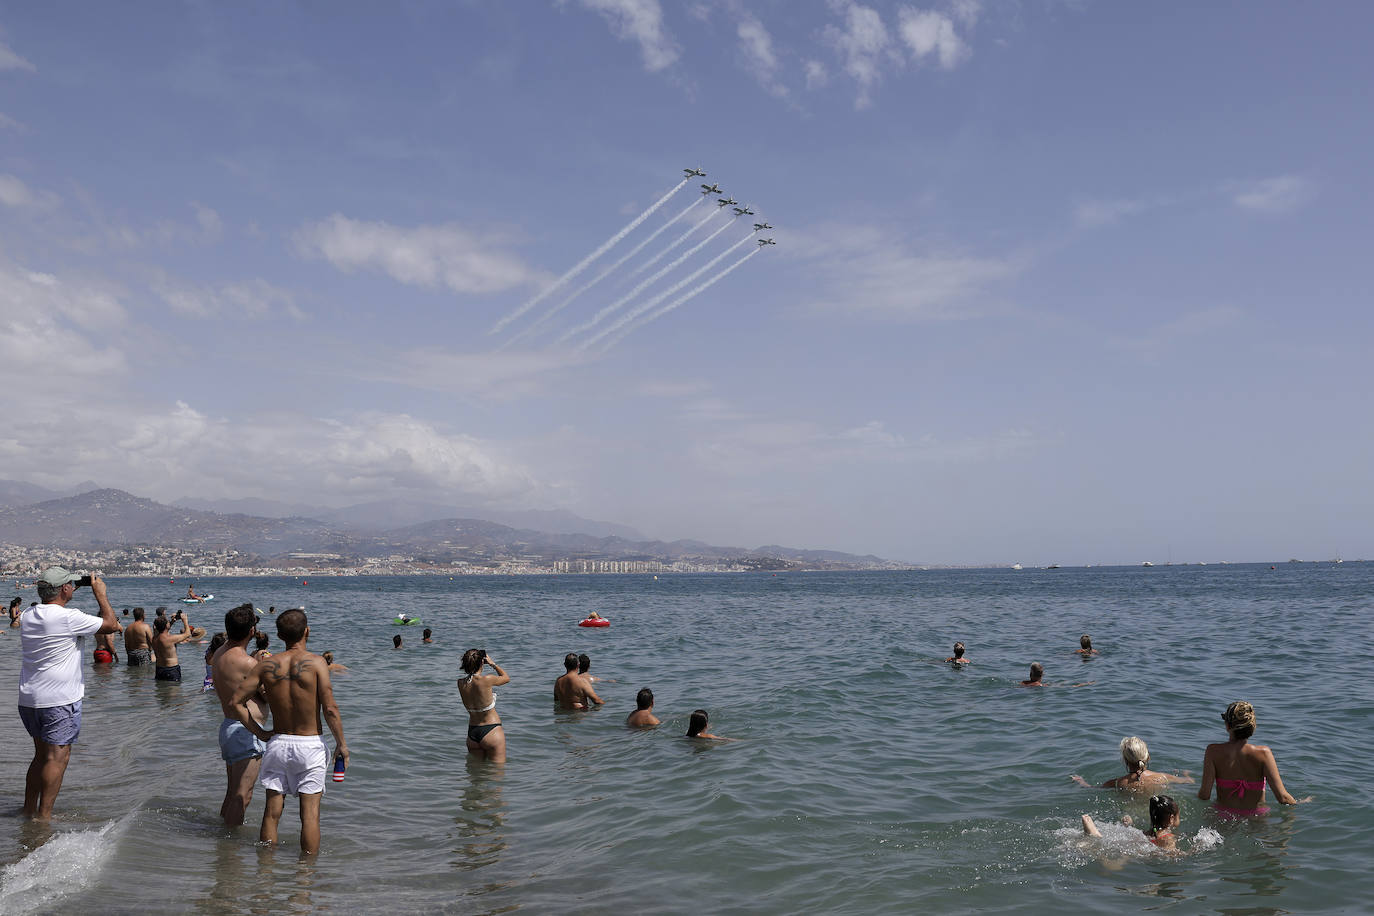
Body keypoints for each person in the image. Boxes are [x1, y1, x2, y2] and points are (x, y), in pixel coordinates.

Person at [230, 609, 348, 855]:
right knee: (310, 816)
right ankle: (304, 882)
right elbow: (330, 708)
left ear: (280, 635)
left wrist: (260, 733)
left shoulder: (267, 665)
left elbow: (236, 703)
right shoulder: (317, 663)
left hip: (278, 743)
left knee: (272, 814)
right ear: (307, 631)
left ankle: (265, 873)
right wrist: (341, 744)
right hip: (310, 745)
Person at [18, 568, 121, 819]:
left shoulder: (27, 614)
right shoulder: (67, 617)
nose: (74, 587)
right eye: (71, 585)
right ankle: (44, 817)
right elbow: (111, 625)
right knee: (57, 758)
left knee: (40, 756)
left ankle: (29, 810)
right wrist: (101, 594)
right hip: (58, 700)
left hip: (30, 698)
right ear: (64, 589)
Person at [1198, 700, 1309, 815]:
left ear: (1227, 726)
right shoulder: (1264, 754)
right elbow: (1283, 798)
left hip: (1223, 815)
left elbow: (1205, 795)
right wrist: (1301, 803)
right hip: (1255, 818)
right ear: (1253, 727)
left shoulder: (1213, 751)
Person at [212, 605, 268, 826]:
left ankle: (222, 838)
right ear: (251, 631)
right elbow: (268, 696)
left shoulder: (219, 653)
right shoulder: (249, 663)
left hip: (229, 727)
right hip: (246, 731)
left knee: (232, 792)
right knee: (242, 796)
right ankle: (229, 850)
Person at [1071, 737, 1193, 791]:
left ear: (1125, 760)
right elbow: (1189, 781)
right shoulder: (1164, 777)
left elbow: (1092, 789)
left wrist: (1081, 781)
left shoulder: (1118, 783)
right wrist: (1186, 774)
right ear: (1148, 757)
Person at [458, 649, 509, 763]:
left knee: (476, 775)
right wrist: (493, 664)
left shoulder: (461, 683)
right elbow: (506, 678)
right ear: (482, 662)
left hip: (472, 733)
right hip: (491, 731)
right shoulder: (487, 679)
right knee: (497, 773)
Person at [1082, 794, 1181, 850]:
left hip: (1138, 839)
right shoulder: (1168, 838)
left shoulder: (1147, 832)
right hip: (1142, 850)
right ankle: (1096, 837)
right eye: (1178, 816)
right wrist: (1193, 851)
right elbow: (1173, 857)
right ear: (1171, 818)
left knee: (1118, 842)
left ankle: (1097, 836)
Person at [152, 610, 195, 681]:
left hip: (159, 669)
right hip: (171, 670)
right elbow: (188, 634)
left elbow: (163, 630)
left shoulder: (155, 638)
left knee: (161, 691)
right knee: (174, 690)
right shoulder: (171, 639)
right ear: (166, 625)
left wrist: (172, 621)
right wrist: (185, 620)